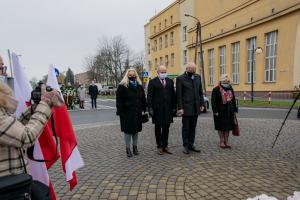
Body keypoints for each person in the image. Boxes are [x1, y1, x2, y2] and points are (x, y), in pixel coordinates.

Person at [0, 71, 63, 177]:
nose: (5, 73)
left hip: (11, 183)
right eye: (1, 68)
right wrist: (46, 103)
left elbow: (13, 132)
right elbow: (26, 137)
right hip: (7, 186)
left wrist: (34, 108)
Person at [116, 68, 147, 157]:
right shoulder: (122, 86)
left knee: (136, 131)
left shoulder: (139, 85)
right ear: (127, 75)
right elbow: (119, 101)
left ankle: (135, 147)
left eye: (134, 75)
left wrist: (144, 108)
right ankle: (128, 149)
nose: (132, 76)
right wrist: (121, 112)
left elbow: (143, 98)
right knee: (127, 131)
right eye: (130, 75)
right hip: (126, 113)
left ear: (136, 75)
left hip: (137, 112)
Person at [176, 62, 205, 154]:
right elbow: (179, 95)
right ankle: (185, 145)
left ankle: (191, 144)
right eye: (191, 69)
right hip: (186, 107)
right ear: (187, 69)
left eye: (194, 69)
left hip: (196, 107)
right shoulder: (180, 78)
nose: (193, 71)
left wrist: (202, 104)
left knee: (193, 127)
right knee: (186, 127)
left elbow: (200, 92)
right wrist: (180, 107)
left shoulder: (198, 77)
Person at [147, 65, 176, 155]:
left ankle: (165, 146)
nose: (164, 73)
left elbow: (173, 95)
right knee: (158, 128)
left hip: (168, 109)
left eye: (165, 72)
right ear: (158, 72)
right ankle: (159, 146)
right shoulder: (152, 82)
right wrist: (150, 108)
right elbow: (150, 96)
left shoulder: (170, 81)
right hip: (157, 110)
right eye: (162, 72)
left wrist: (174, 107)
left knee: (166, 128)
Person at [211, 74, 238, 148]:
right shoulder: (216, 89)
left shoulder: (230, 88)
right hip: (219, 111)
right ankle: (221, 141)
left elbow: (233, 100)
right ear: (221, 81)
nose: (227, 83)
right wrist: (215, 111)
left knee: (228, 127)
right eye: (225, 81)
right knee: (221, 127)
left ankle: (227, 141)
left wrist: (235, 110)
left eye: (228, 81)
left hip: (229, 111)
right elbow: (213, 101)